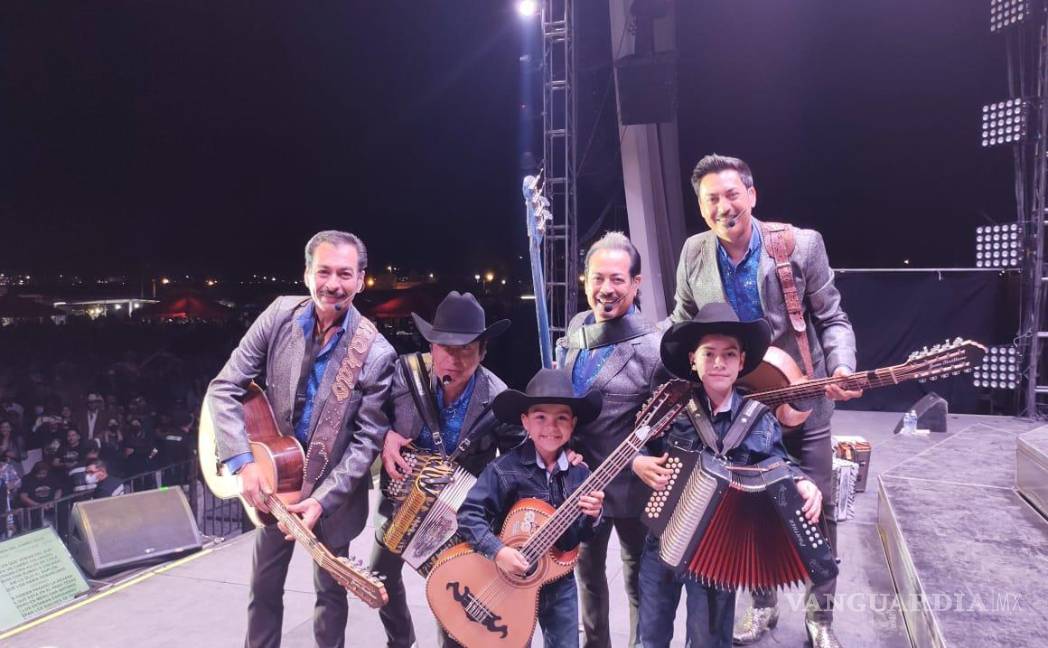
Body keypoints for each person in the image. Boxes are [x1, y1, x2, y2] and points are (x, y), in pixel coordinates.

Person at [669, 154, 859, 647]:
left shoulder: (799, 245)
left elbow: (832, 318)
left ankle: (821, 618)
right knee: (752, 509)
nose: (723, 206)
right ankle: (763, 607)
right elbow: (682, 321)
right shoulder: (694, 253)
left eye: (732, 194)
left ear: (752, 195)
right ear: (701, 207)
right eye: (711, 199)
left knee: (817, 507)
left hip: (803, 402)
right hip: (741, 411)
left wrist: (841, 366)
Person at [205, 230, 396, 648]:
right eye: (323, 271)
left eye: (345, 274)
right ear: (307, 273)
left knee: (331, 597)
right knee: (263, 588)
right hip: (273, 480)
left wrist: (321, 500)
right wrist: (243, 461)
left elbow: (366, 443)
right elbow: (224, 387)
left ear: (361, 280)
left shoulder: (377, 354)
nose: (333, 284)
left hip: (333, 497)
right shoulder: (278, 315)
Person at [633, 303, 822, 648]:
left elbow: (779, 463)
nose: (719, 362)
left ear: (741, 361)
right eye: (709, 353)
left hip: (718, 552)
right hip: (663, 538)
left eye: (729, 354)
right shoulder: (670, 409)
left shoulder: (759, 417)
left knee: (710, 639)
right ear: (693, 359)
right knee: (652, 632)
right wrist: (637, 462)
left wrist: (803, 481)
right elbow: (637, 446)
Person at [373, 290, 524, 648]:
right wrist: (384, 436)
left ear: (482, 352)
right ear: (431, 346)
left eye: (466, 349)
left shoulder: (498, 398)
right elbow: (367, 416)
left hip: (458, 514)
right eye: (445, 347)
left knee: (453, 593)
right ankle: (400, 641)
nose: (453, 360)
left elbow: (518, 457)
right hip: (402, 501)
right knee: (379, 576)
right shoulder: (403, 374)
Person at [555, 231, 663, 648]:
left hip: (633, 488)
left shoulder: (653, 348)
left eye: (617, 279)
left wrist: (640, 457)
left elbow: (665, 425)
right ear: (585, 280)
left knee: (639, 580)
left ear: (636, 283)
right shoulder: (578, 327)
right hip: (582, 484)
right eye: (597, 278)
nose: (606, 289)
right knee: (587, 577)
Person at [456, 368, 606, 648]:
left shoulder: (581, 475)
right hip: (509, 580)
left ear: (573, 424)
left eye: (561, 418)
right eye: (540, 417)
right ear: (525, 421)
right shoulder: (503, 470)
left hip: (558, 582)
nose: (551, 427)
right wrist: (498, 551)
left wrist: (593, 516)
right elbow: (469, 515)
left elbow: (580, 536)